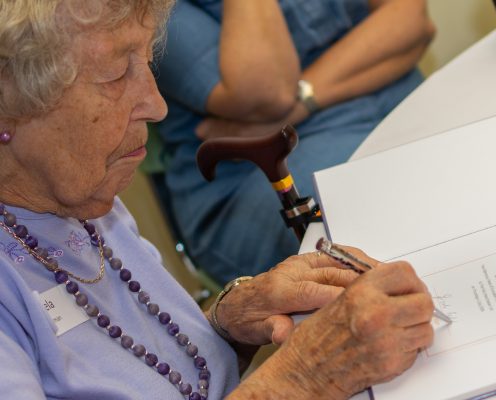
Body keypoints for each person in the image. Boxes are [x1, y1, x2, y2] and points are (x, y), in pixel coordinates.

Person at [0, 1, 436, 399]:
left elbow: (164, 379)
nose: (156, 106)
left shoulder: (85, 198)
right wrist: (306, 376)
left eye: (147, 62)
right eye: (115, 74)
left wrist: (228, 323)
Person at [155, 0, 436, 285]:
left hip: (386, 107)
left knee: (449, 172)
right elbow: (266, 94)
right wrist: (287, 109)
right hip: (257, 172)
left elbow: (412, 22)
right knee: (385, 214)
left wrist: (300, 103)